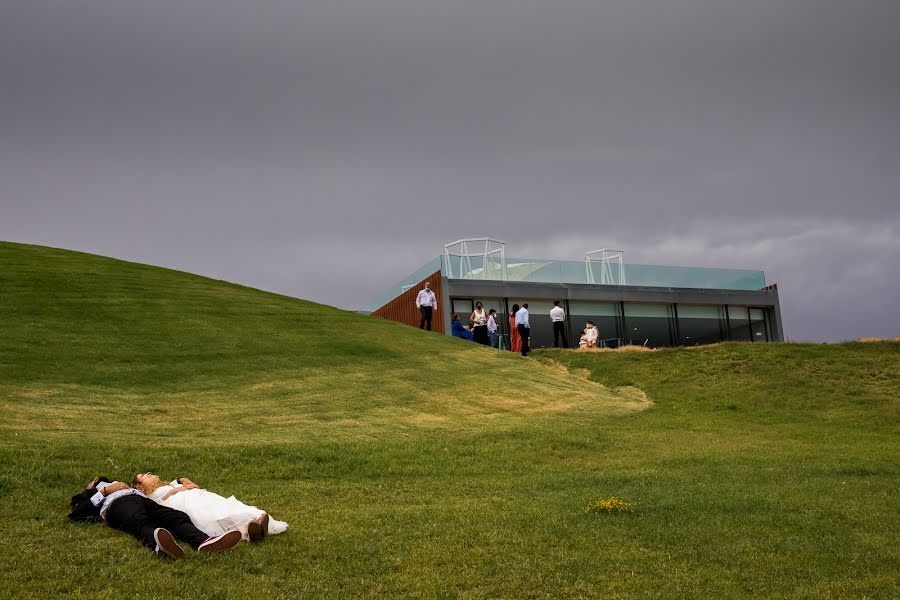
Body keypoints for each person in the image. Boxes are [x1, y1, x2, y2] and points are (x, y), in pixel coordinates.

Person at [69, 476, 242, 559]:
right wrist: (103, 491)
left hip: (142, 499)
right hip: (118, 505)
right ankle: (159, 545)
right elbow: (77, 512)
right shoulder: (92, 495)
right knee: (138, 521)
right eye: (94, 482)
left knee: (175, 516)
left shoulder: (124, 484)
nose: (95, 481)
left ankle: (204, 541)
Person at [133, 472, 288, 542]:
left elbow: (184, 480)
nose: (148, 473)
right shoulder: (149, 495)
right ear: (140, 486)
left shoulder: (168, 484)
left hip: (197, 495)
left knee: (223, 505)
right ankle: (248, 528)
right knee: (210, 515)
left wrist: (185, 482)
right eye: (143, 476)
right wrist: (177, 490)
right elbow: (160, 503)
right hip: (182, 502)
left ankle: (255, 521)